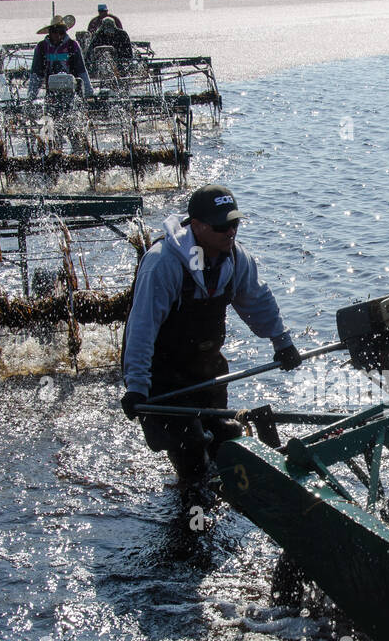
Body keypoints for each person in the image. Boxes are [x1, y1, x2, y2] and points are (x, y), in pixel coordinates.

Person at [121, 185, 302, 482]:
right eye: (222, 226)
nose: (230, 232)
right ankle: (190, 515)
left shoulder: (235, 258)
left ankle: (234, 500)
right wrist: (137, 385)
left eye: (235, 224)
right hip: (162, 377)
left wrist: (282, 342)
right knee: (190, 451)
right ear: (197, 226)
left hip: (204, 368)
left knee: (228, 441)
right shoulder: (163, 263)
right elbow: (142, 328)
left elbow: (258, 301)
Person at [27, 14, 95, 100]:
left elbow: (81, 69)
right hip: (51, 90)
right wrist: (31, 96)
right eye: (55, 31)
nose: (58, 35)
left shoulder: (72, 45)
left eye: (61, 32)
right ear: (50, 32)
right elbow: (36, 73)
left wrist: (89, 92)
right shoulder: (41, 47)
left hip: (73, 89)